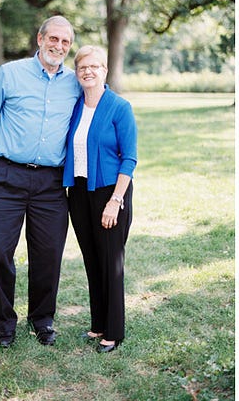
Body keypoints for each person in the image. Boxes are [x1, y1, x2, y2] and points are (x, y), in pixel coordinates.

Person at [0, 15, 81, 348]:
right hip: (4, 176)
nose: (59, 46)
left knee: (48, 253)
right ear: (39, 39)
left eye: (65, 42)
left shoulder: (75, 82)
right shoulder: (11, 73)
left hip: (51, 182)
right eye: (54, 39)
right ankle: (5, 325)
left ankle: (42, 320)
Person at [62, 45, 137, 354]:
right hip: (78, 193)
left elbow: (129, 159)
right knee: (92, 261)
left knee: (111, 263)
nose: (88, 71)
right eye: (82, 67)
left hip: (110, 192)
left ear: (105, 70)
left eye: (94, 66)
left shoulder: (120, 107)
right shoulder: (76, 107)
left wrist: (115, 201)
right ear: (77, 73)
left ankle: (114, 332)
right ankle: (97, 324)